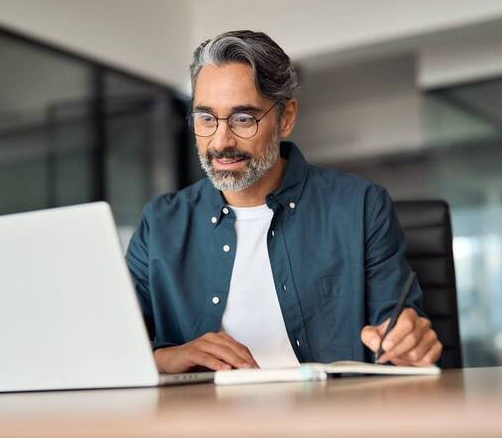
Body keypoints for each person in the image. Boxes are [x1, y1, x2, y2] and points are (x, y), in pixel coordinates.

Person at [126, 30, 442, 373]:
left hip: (331, 418)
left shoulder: (361, 207)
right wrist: (169, 357)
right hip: (205, 422)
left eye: (243, 118)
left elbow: (399, 331)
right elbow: (115, 343)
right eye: (206, 118)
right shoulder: (159, 223)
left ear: (286, 118)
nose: (221, 141)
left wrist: (408, 344)